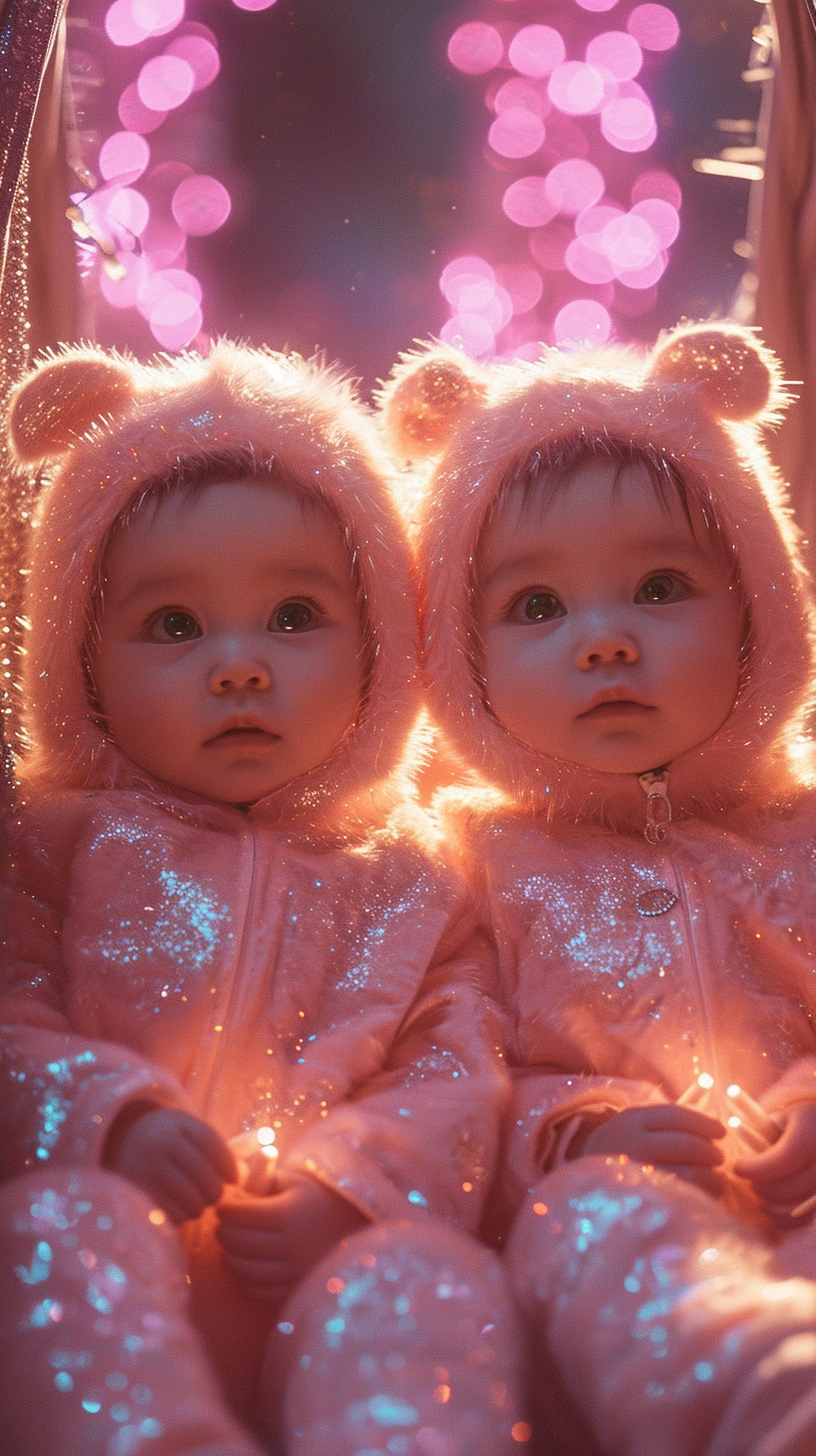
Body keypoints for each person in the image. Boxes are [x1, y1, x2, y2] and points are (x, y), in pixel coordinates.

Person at [0, 341, 525, 1456]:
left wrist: (358, 1187)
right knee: (47, 1229)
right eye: (176, 627)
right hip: (116, 1244)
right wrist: (105, 1114)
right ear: (80, 662)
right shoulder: (50, 848)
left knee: (433, 1274)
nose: (239, 665)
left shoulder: (416, 873)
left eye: (294, 616)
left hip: (313, 1265)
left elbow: (454, 1066)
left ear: (385, 637)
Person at [380, 323, 816, 1456]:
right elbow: (457, 1072)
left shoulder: (804, 828)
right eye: (537, 608)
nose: (606, 641)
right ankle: (765, 1401)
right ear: (456, 657)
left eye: (662, 586)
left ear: (761, 601)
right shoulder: (465, 865)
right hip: (612, 1219)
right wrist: (574, 1133)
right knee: (592, 1225)